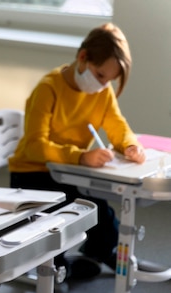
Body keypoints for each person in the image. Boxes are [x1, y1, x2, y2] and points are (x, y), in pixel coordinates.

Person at [8, 22, 146, 279]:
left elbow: (118, 125)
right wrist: (80, 156)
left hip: (68, 172)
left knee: (104, 216)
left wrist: (129, 145)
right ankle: (61, 268)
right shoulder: (48, 88)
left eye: (110, 80)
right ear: (82, 58)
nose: (104, 85)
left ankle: (96, 254)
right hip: (32, 174)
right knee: (66, 216)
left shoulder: (102, 93)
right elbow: (35, 146)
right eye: (101, 76)